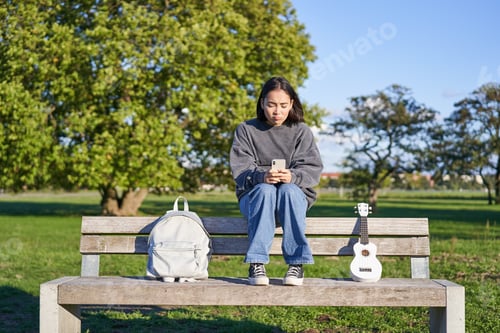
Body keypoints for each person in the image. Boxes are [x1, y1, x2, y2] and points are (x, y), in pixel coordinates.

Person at [229, 76, 323, 286]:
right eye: (271, 105)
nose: (277, 111)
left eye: (283, 105)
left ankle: (296, 264)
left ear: (291, 104)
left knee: (288, 190)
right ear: (262, 103)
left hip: (293, 200)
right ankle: (256, 263)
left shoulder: (301, 131)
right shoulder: (246, 129)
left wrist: (292, 176)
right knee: (266, 190)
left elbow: (312, 169)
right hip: (255, 199)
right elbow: (241, 169)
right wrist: (263, 177)